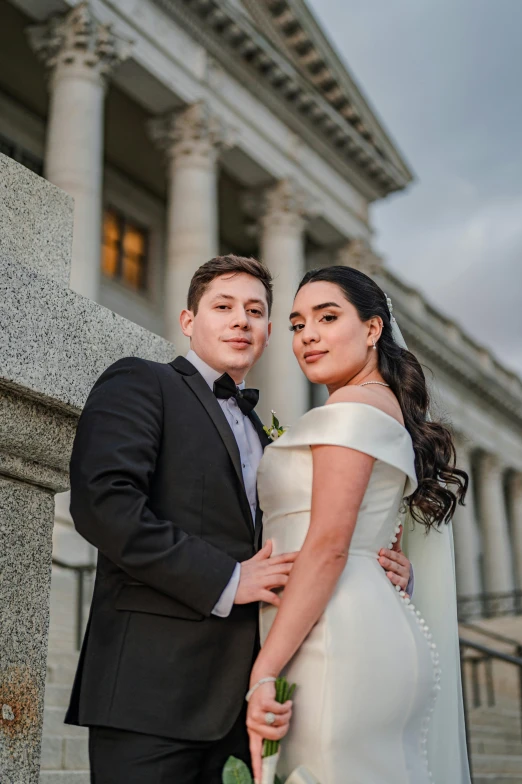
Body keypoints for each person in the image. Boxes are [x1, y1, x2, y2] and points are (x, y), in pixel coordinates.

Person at [64, 255, 413, 784]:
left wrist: (377, 560)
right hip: (150, 693)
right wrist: (229, 577)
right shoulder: (142, 381)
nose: (240, 320)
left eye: (255, 311)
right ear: (188, 322)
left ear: (269, 331)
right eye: (222, 306)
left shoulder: (268, 430)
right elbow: (103, 503)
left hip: (247, 703)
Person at [246, 265, 472, 784]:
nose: (309, 336)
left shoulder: (350, 409)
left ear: (373, 329)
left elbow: (327, 548)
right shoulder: (379, 405)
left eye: (328, 317)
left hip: (332, 638)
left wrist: (263, 672)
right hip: (359, 624)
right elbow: (371, 531)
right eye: (299, 324)